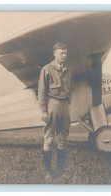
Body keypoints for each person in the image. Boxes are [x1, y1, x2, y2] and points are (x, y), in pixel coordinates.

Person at [38, 42, 73, 182]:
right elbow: (41, 91)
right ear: (54, 54)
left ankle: (61, 171)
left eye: (65, 53)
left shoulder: (70, 70)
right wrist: (44, 111)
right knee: (49, 137)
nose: (64, 55)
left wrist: (68, 103)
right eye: (61, 53)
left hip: (65, 105)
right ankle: (47, 171)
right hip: (53, 104)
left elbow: (72, 87)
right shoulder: (47, 69)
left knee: (63, 137)